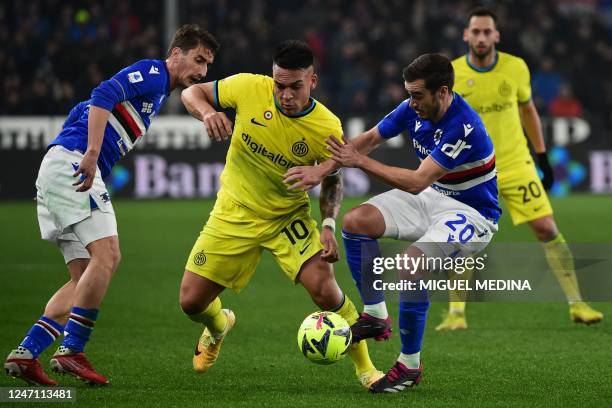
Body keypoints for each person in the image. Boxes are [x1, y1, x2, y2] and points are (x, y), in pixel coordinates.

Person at [4, 25, 220, 386]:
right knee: (109, 256)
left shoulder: (158, 92)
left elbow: (81, 111)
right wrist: (88, 154)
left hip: (61, 167)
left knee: (85, 276)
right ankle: (72, 350)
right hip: (76, 164)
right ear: (177, 53)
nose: (202, 72)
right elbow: (102, 93)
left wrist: (49, 179)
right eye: (198, 60)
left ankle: (26, 354)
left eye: (208, 65)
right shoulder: (154, 72)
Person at [286, 53, 501, 393]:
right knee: (357, 221)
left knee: (411, 265)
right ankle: (374, 315)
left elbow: (417, 180)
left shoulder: (464, 126)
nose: (411, 102)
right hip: (434, 196)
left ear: (442, 93)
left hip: (473, 214)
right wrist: (322, 169)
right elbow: (369, 139)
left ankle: (410, 366)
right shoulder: (411, 109)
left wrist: (359, 163)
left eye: (418, 95)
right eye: (409, 93)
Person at [178, 40, 383, 390]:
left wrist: (329, 226)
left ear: (312, 82)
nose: (285, 94)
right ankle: (218, 325)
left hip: (288, 217)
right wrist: (208, 113)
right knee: (191, 302)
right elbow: (191, 93)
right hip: (235, 210)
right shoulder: (247, 87)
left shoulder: (324, 126)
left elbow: (333, 179)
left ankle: (366, 369)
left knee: (324, 289)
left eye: (295, 87)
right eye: (279, 85)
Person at [436, 7, 603, 330]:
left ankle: (577, 303)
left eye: (487, 32)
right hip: (471, 171)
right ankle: (456, 314)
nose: (481, 37)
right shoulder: (452, 74)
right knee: (463, 238)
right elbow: (442, 122)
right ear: (466, 35)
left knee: (546, 228)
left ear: (496, 35)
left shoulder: (516, 68)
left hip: (515, 164)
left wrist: (541, 157)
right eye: (476, 31)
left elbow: (528, 112)